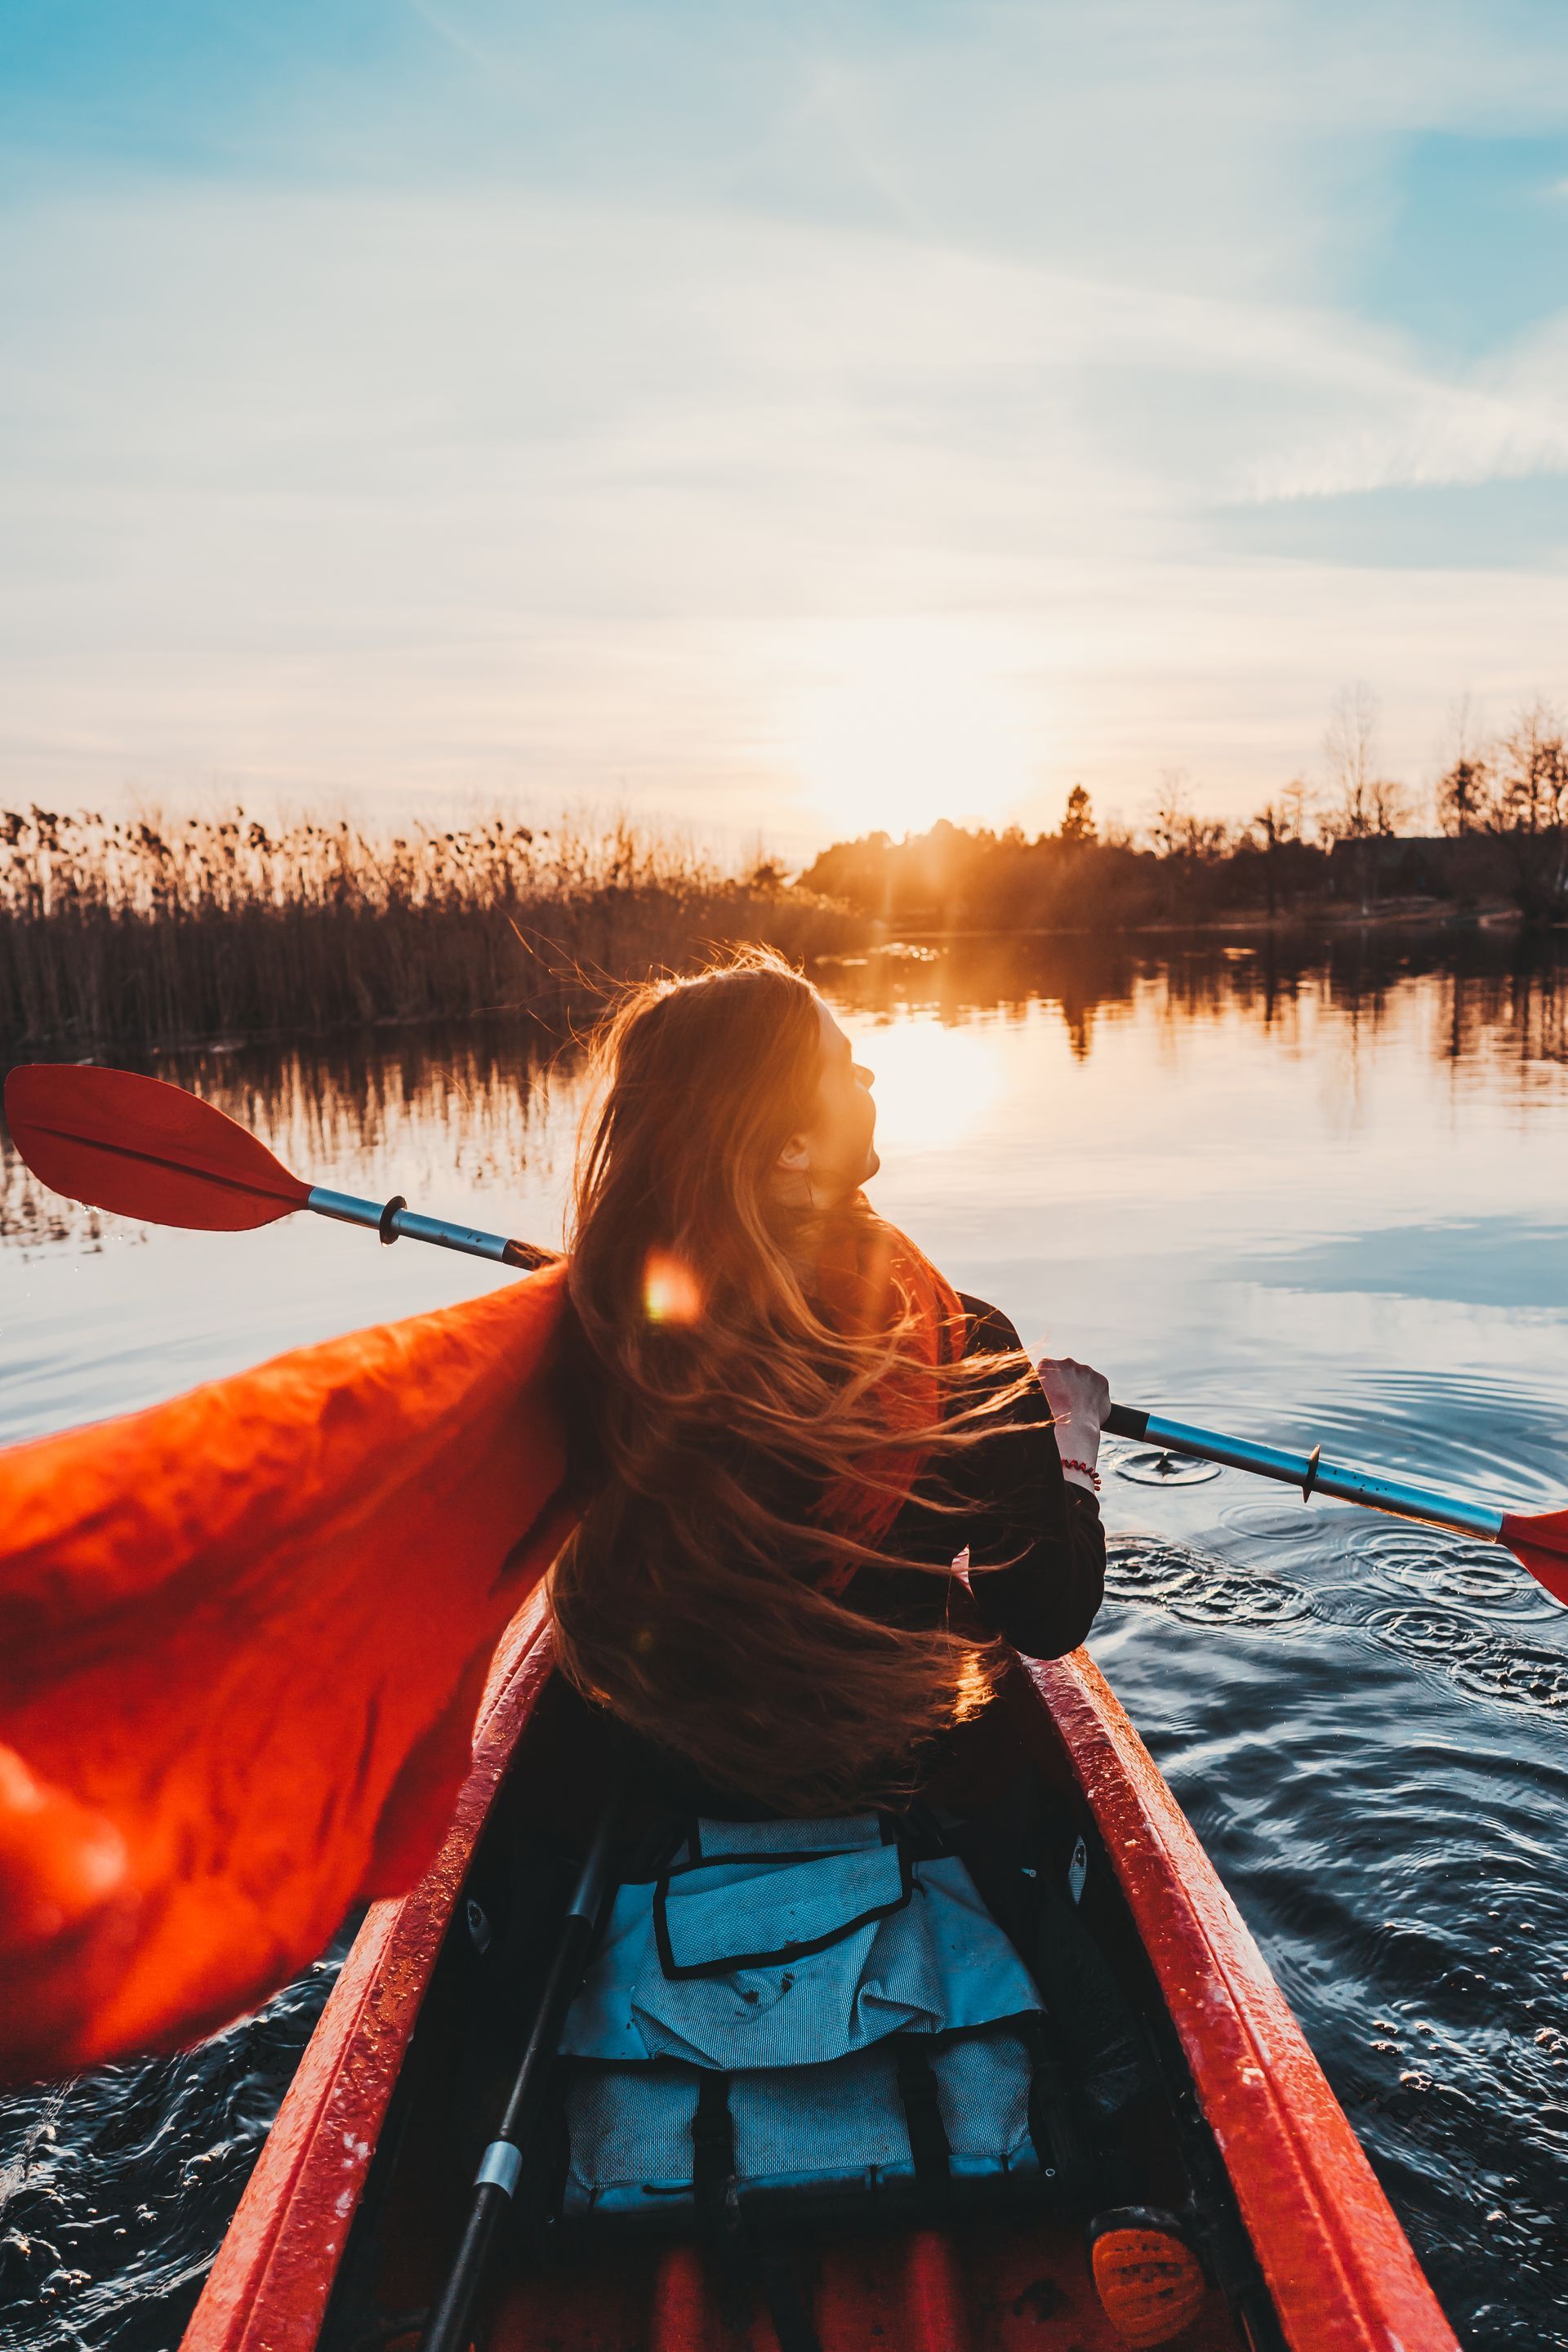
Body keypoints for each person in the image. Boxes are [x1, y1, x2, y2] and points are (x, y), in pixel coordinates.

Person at [547, 944, 1111, 1820]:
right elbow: (1048, 1617)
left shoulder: (608, 1327)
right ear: (793, 1148)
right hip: (887, 1778)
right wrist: (1071, 1442)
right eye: (846, 1068)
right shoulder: (960, 1344)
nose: (872, 1073)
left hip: (661, 1778)